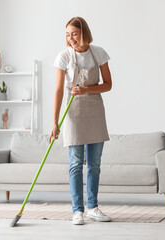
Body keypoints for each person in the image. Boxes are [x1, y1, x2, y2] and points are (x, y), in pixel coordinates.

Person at [49, 17, 112, 225]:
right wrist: (54, 122)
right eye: (67, 34)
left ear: (84, 33)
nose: (70, 38)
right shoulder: (64, 57)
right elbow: (59, 91)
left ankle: (93, 208)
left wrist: (86, 90)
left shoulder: (99, 53)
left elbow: (108, 85)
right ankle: (77, 211)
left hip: (95, 111)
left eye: (74, 34)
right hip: (73, 113)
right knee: (76, 163)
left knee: (94, 164)